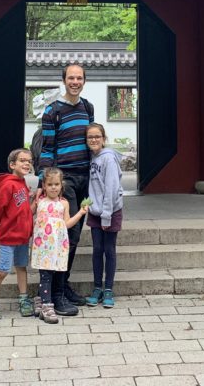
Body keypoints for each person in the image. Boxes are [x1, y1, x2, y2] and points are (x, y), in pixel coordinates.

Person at [36, 62, 93, 311]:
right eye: (71, 78)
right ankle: (56, 294)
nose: (75, 82)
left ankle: (63, 284)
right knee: (67, 234)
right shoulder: (52, 111)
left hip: (84, 178)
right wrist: (44, 182)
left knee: (75, 236)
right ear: (64, 80)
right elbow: (47, 148)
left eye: (79, 78)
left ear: (84, 81)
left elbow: (92, 141)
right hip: (65, 179)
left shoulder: (87, 107)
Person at [0, 148, 35, 321]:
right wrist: (2, 221)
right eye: (22, 160)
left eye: (29, 161)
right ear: (12, 164)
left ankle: (24, 299)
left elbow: (24, 210)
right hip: (8, 237)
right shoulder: (8, 185)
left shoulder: (23, 183)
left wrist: (35, 201)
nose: (27, 163)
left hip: (22, 237)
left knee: (21, 267)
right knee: (3, 271)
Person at [30, 167, 88, 323]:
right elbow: (28, 213)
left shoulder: (64, 203)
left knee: (58, 272)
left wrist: (80, 213)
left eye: (56, 184)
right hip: (43, 247)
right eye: (50, 184)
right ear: (44, 185)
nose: (53, 187)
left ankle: (41, 300)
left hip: (58, 246)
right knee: (46, 275)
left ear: (62, 185)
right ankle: (46, 306)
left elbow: (67, 223)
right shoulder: (40, 200)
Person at [83, 123, 124, 308]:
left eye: (97, 136)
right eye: (90, 137)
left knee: (109, 249)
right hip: (95, 211)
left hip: (111, 210)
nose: (93, 140)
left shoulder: (108, 158)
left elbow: (111, 188)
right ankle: (97, 287)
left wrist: (106, 215)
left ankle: (108, 288)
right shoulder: (92, 157)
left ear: (103, 138)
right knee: (97, 249)